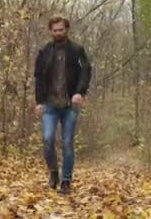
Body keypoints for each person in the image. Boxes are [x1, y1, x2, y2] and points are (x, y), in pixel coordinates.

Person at [33, 14, 92, 194]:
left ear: (66, 29)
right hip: (50, 104)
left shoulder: (77, 50)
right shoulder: (44, 51)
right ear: (51, 31)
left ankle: (66, 182)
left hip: (69, 105)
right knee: (48, 139)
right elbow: (38, 77)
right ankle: (53, 173)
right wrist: (39, 101)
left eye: (61, 29)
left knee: (67, 142)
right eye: (55, 30)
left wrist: (79, 92)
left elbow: (86, 71)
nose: (58, 32)